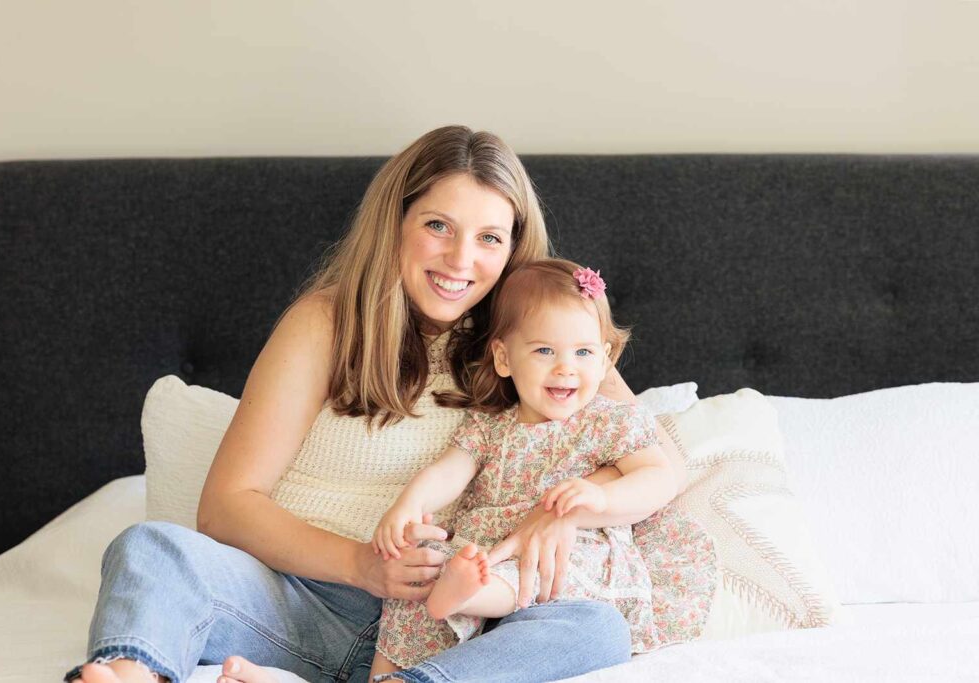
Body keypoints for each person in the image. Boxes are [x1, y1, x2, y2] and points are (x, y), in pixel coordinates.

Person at [66, 125, 688, 683]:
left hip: (453, 621)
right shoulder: (326, 323)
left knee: (597, 629)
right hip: (306, 600)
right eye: (438, 225)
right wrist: (362, 566)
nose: (461, 260)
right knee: (151, 549)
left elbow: (658, 460)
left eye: (490, 237)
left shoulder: (541, 342)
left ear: (513, 250)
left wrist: (565, 513)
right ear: (397, 222)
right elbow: (226, 507)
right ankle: (128, 672)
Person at [362, 259, 717, 679]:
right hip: (484, 550)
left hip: (569, 556)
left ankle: (469, 596)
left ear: (605, 360)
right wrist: (408, 504)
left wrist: (601, 497)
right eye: (545, 350)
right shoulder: (490, 424)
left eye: (583, 352)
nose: (566, 367)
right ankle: (387, 674)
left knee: (539, 582)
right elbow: (448, 470)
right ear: (504, 358)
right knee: (419, 568)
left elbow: (658, 477)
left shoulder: (609, 421)